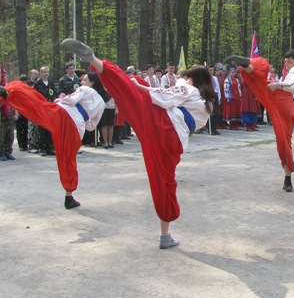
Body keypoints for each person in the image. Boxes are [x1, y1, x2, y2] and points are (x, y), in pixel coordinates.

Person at [62, 38, 214, 249]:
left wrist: (140, 88)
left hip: (163, 125)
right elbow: (178, 99)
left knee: (131, 88)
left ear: (193, 79)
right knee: (164, 182)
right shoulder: (207, 103)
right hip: (171, 140)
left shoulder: (191, 90)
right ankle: (165, 235)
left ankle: (98, 62)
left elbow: (167, 94)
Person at [0, 71, 106, 209]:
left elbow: (71, 100)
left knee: (38, 106)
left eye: (85, 80)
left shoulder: (85, 89)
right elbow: (91, 126)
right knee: (68, 159)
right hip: (77, 128)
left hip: (64, 114)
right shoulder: (101, 103)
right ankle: (69, 195)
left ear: (92, 83)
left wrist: (60, 99)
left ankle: (10, 92)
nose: (82, 82)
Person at [225, 50, 294, 193]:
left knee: (263, 84)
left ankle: (249, 66)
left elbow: (293, 86)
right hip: (288, 110)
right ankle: (287, 180)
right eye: (285, 61)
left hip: (286, 101)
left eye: (289, 61)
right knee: (283, 143)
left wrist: (278, 86)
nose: (287, 64)